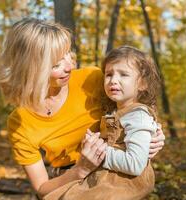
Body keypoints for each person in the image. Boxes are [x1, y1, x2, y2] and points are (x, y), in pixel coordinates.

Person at [0, 18, 165, 199]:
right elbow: (42, 187)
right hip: (69, 182)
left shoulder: (92, 79)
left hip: (115, 176)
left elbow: (132, 108)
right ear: (31, 69)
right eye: (56, 64)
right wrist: (82, 168)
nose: (70, 66)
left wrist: (154, 132)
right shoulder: (20, 122)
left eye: (69, 54)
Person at [52, 45, 161, 200]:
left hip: (123, 184)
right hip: (106, 177)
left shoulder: (138, 116)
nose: (113, 80)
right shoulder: (114, 112)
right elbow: (112, 138)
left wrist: (98, 151)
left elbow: (135, 164)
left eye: (123, 74)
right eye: (109, 74)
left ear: (142, 84)